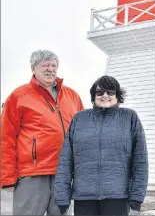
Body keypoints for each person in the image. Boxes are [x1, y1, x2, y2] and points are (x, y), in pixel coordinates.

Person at [0, 49, 84, 215]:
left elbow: (83, 133)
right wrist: (7, 177)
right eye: (45, 65)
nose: (50, 69)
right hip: (32, 174)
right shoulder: (18, 96)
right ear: (33, 69)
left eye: (54, 65)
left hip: (64, 172)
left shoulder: (72, 96)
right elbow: (6, 138)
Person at [54, 75, 149, 216]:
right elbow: (66, 161)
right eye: (100, 92)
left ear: (117, 95)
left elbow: (140, 161)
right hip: (84, 198)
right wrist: (62, 199)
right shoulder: (79, 119)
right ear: (94, 95)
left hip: (118, 198)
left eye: (110, 92)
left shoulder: (129, 117)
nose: (105, 95)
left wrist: (136, 199)